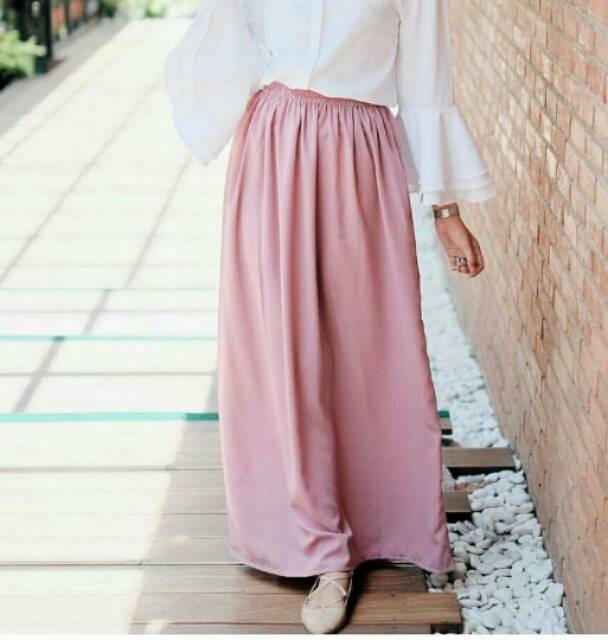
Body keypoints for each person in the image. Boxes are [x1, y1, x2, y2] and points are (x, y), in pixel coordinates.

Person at [164, 0, 496, 633]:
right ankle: (320, 547)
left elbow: (427, 83)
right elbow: (224, 35)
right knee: (282, 348)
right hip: (273, 146)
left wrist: (446, 210)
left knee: (375, 345)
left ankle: (389, 522)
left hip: (360, 154)